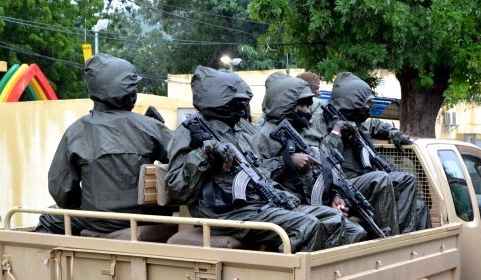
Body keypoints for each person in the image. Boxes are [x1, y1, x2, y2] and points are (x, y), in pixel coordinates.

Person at [164, 66, 354, 252]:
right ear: (220, 101)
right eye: (237, 102)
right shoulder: (192, 132)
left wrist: (281, 185)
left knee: (334, 219)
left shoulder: (241, 131)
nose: (243, 107)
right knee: (307, 226)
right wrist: (204, 153)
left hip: (257, 203)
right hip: (224, 211)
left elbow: (258, 168)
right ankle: (289, 278)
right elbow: (177, 189)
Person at [37, 54, 174, 238]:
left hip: (95, 220)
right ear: (128, 93)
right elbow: (181, 159)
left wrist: (85, 206)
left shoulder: (76, 131)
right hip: (143, 218)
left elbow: (60, 189)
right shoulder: (151, 127)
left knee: (49, 218)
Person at [250, 72, 366, 244]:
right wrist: (287, 161)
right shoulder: (265, 136)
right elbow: (255, 177)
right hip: (287, 205)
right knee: (331, 224)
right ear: (286, 104)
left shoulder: (304, 131)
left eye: (307, 105)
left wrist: (333, 196)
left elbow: (320, 169)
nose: (306, 110)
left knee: (356, 231)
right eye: (301, 105)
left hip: (313, 201)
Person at [316, 72, 429, 233]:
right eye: (365, 104)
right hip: (344, 186)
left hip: (365, 184)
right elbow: (326, 156)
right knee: (381, 178)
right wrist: (337, 131)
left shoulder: (357, 125)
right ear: (353, 103)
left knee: (409, 182)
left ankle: (406, 240)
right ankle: (393, 239)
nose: (368, 108)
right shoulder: (325, 125)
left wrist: (392, 132)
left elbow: (373, 125)